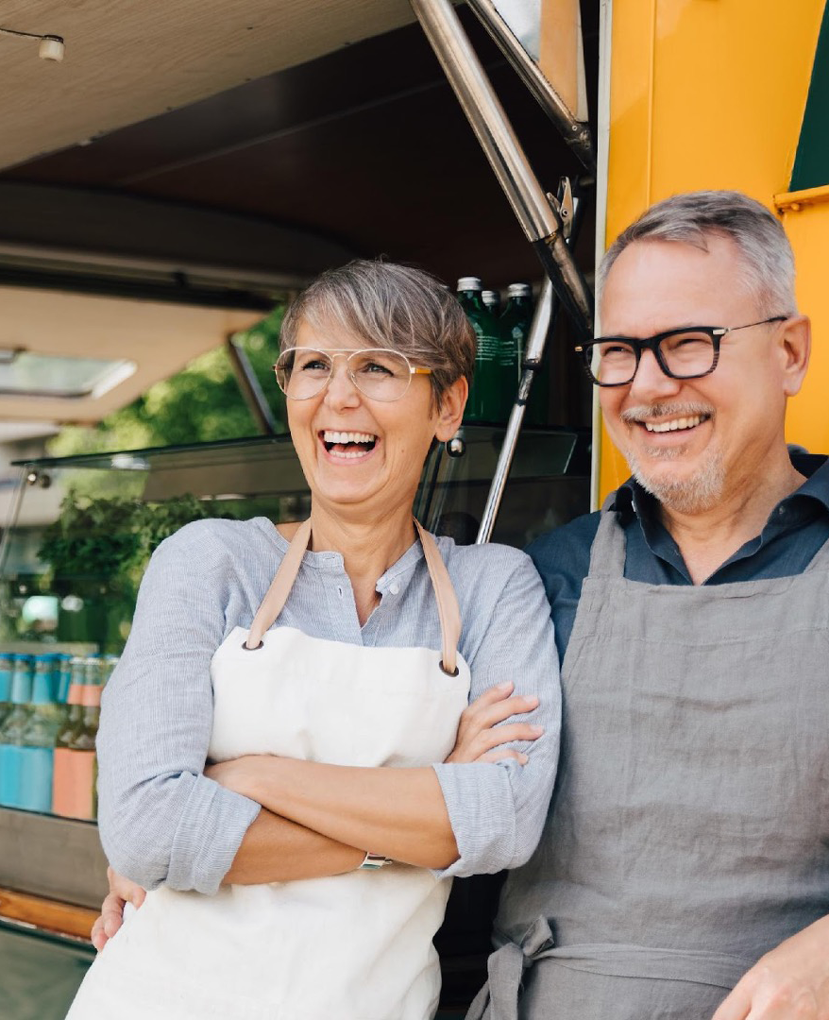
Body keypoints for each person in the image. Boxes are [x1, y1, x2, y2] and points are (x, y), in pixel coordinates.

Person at [67, 260, 560, 1020]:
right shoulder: (211, 561)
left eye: (378, 367)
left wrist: (250, 776)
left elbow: (504, 823)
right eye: (314, 365)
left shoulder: (494, 587)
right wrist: (420, 828)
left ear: (449, 405)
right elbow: (147, 833)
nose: (338, 396)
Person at [467, 190, 829, 1020]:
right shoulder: (538, 580)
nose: (647, 387)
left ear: (789, 352)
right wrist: (173, 834)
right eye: (619, 351)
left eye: (686, 345)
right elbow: (393, 777)